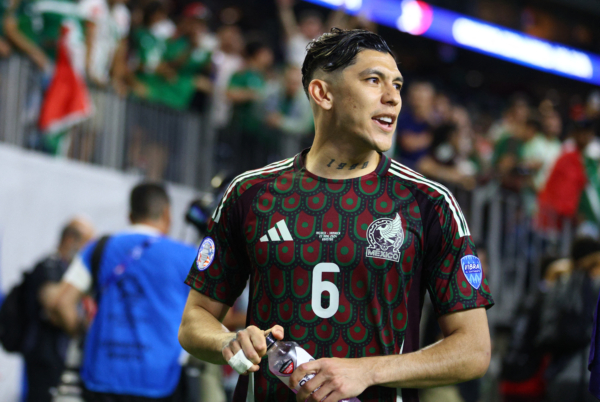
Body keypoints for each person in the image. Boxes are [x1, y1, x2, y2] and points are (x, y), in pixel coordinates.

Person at [179, 28, 494, 402]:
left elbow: (473, 350)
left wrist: (367, 370)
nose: (393, 98)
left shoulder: (428, 202)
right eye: (374, 80)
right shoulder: (251, 193)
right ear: (322, 93)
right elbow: (194, 321)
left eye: (397, 85)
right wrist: (228, 341)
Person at [50, 183, 197, 402]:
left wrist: (83, 335)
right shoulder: (189, 256)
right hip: (161, 378)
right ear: (167, 213)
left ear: (130, 214)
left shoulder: (99, 247)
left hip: (102, 375)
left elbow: (61, 304)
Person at [22, 217, 94, 402]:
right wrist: (81, 330)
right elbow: (55, 305)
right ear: (71, 240)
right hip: (44, 358)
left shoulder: (69, 270)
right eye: (87, 244)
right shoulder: (49, 266)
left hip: (60, 358)